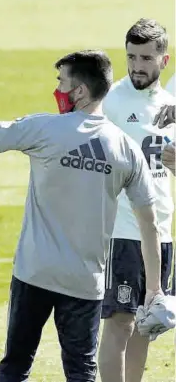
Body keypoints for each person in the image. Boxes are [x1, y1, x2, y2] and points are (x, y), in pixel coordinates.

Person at [0, 50, 163, 382]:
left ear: (79, 91)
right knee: (81, 371)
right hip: (85, 282)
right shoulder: (126, 149)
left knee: (15, 366)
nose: (57, 90)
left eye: (61, 82)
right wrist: (153, 287)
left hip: (34, 273)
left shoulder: (44, 129)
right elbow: (149, 222)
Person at [98, 19, 176, 382]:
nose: (136, 66)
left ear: (164, 61)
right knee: (120, 321)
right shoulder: (112, 101)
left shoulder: (171, 107)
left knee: (147, 321)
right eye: (131, 57)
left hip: (161, 232)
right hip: (123, 230)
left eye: (146, 57)